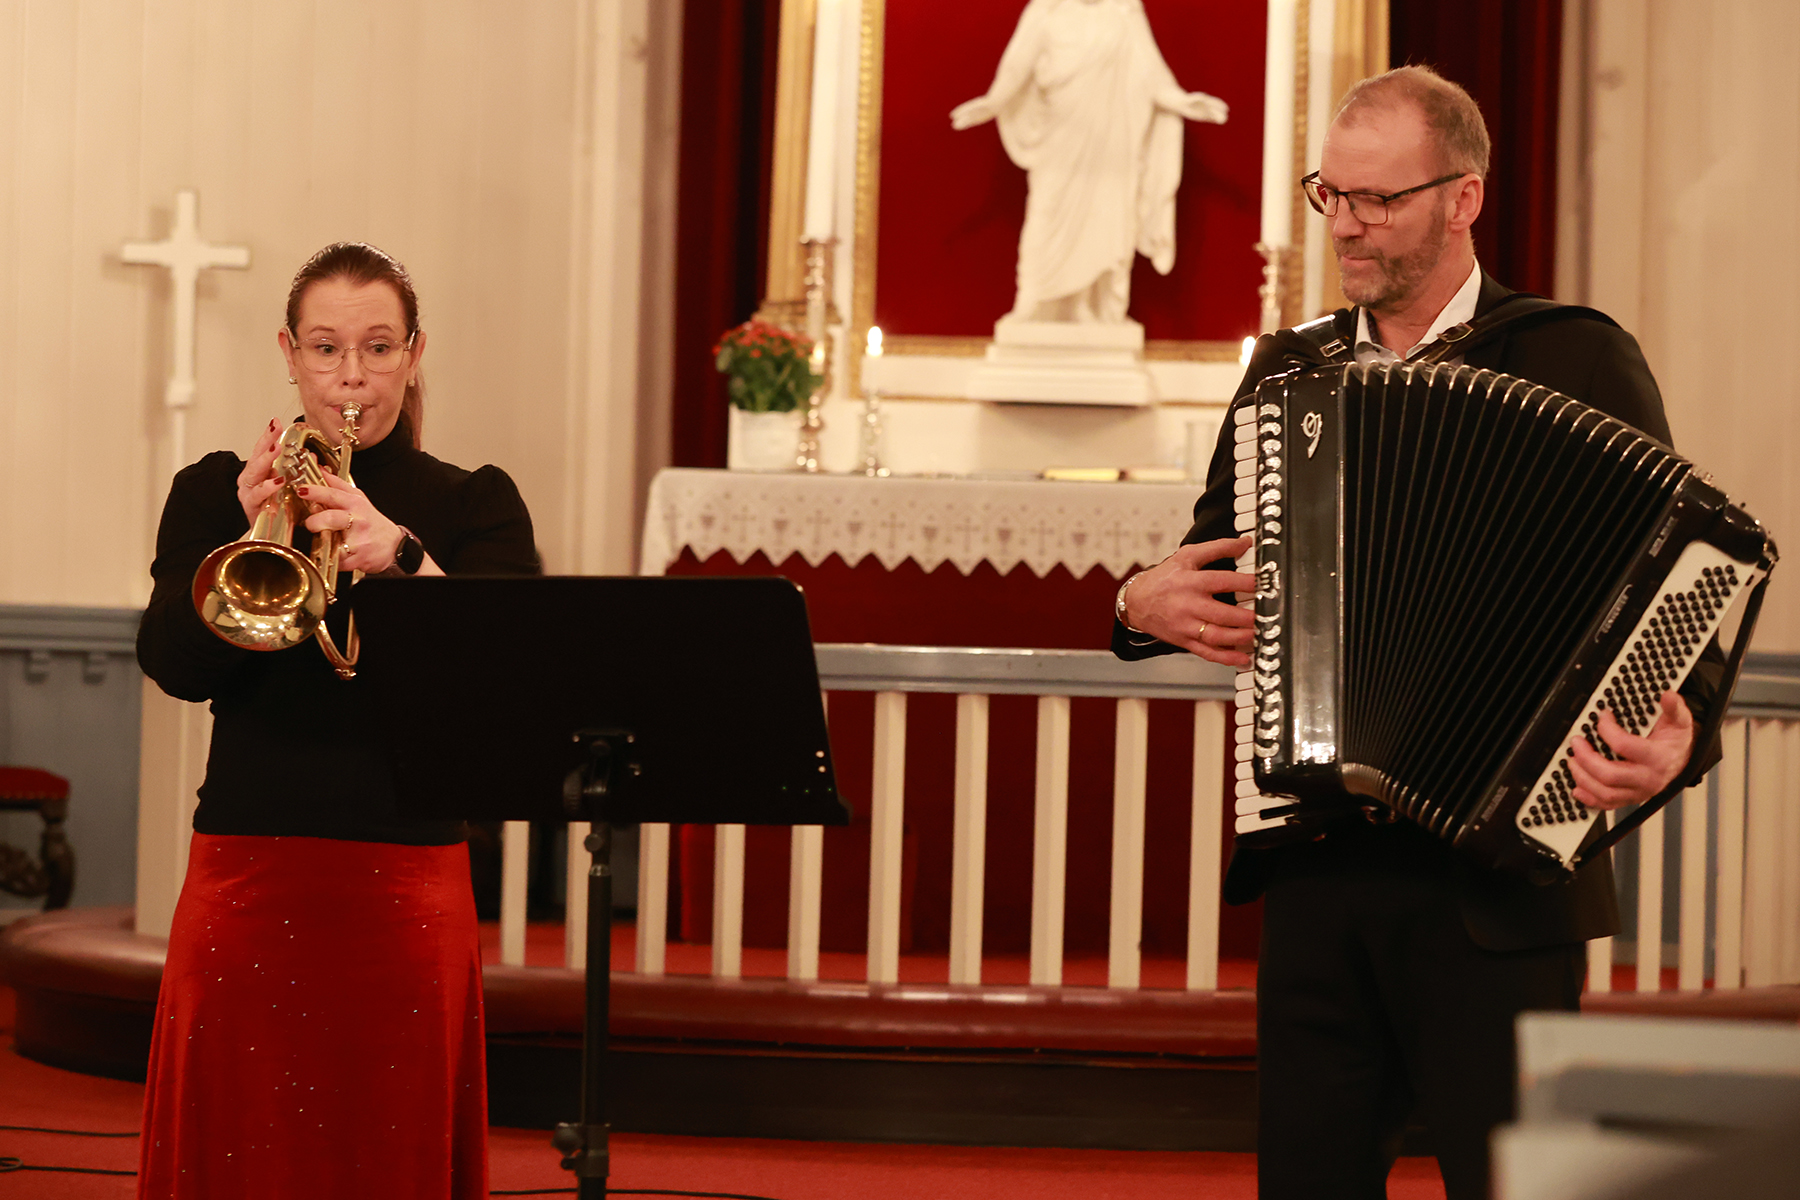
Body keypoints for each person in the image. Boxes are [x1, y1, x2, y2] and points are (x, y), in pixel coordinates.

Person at [1114, 68, 1718, 1199]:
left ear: (1464, 198)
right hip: (1320, 862)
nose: (1345, 225)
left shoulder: (1575, 357)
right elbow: (1205, 566)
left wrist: (1682, 734)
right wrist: (1135, 604)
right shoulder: (1286, 374)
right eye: (1330, 194)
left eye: (1378, 200)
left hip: (1497, 886)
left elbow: (1677, 571)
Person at [136, 242, 539, 1198]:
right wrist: (245, 540)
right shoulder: (215, 489)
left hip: (403, 882)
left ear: (414, 353)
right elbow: (173, 668)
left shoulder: (471, 502)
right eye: (325, 348)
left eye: (377, 347)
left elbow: (505, 681)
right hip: (245, 877)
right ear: (289, 352)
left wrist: (401, 559)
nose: (351, 375)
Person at [950, 0, 1228, 323]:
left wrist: (1182, 101)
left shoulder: (1124, 11)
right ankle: (1034, 298)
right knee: (1047, 210)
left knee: (1104, 217)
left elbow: (1149, 72)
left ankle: (1084, 304)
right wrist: (992, 102)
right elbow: (1016, 67)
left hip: (1112, 143)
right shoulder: (1045, 11)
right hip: (1061, 135)